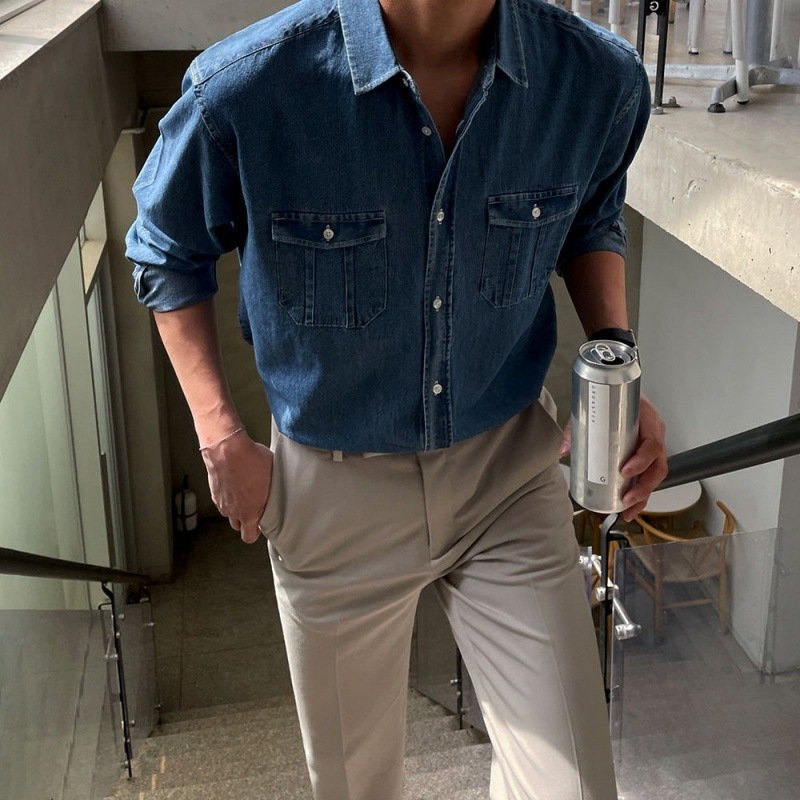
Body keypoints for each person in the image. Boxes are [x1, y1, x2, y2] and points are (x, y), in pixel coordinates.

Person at [126, 0, 668, 797]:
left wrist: (616, 364)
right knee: (356, 786)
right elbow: (166, 252)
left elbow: (592, 219)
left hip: (508, 475)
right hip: (333, 492)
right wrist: (220, 437)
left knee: (576, 786)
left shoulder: (594, 78)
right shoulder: (248, 87)